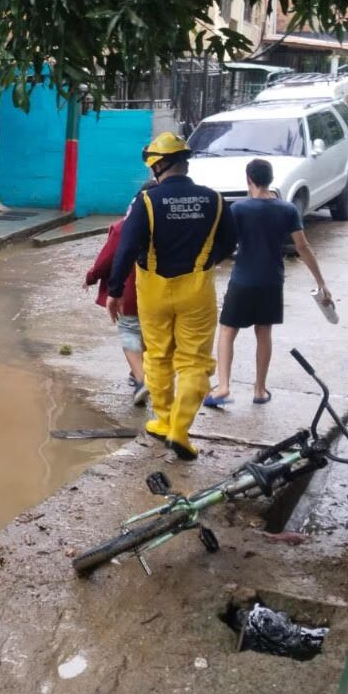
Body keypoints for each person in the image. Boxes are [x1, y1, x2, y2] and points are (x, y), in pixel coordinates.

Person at [107, 132, 237, 461]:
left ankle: (164, 421)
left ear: (158, 165)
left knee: (158, 356)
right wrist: (207, 261)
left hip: (153, 291)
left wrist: (114, 290)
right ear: (184, 161)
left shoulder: (146, 201)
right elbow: (229, 242)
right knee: (195, 361)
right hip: (197, 290)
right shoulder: (214, 199)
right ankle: (180, 429)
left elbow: (126, 247)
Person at [204, 159, 333, 407]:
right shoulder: (287, 210)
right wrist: (321, 282)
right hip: (271, 280)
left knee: (228, 331)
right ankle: (260, 390)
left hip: (242, 280)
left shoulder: (239, 209)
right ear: (270, 179)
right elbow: (302, 247)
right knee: (264, 333)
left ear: (248, 179)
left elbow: (225, 243)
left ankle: (223, 388)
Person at [85, 181, 156, 407]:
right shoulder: (167, 226)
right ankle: (139, 376)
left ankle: (141, 379)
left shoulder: (125, 226)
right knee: (147, 332)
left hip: (130, 291)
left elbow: (107, 258)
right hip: (162, 291)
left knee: (129, 331)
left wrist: (91, 276)